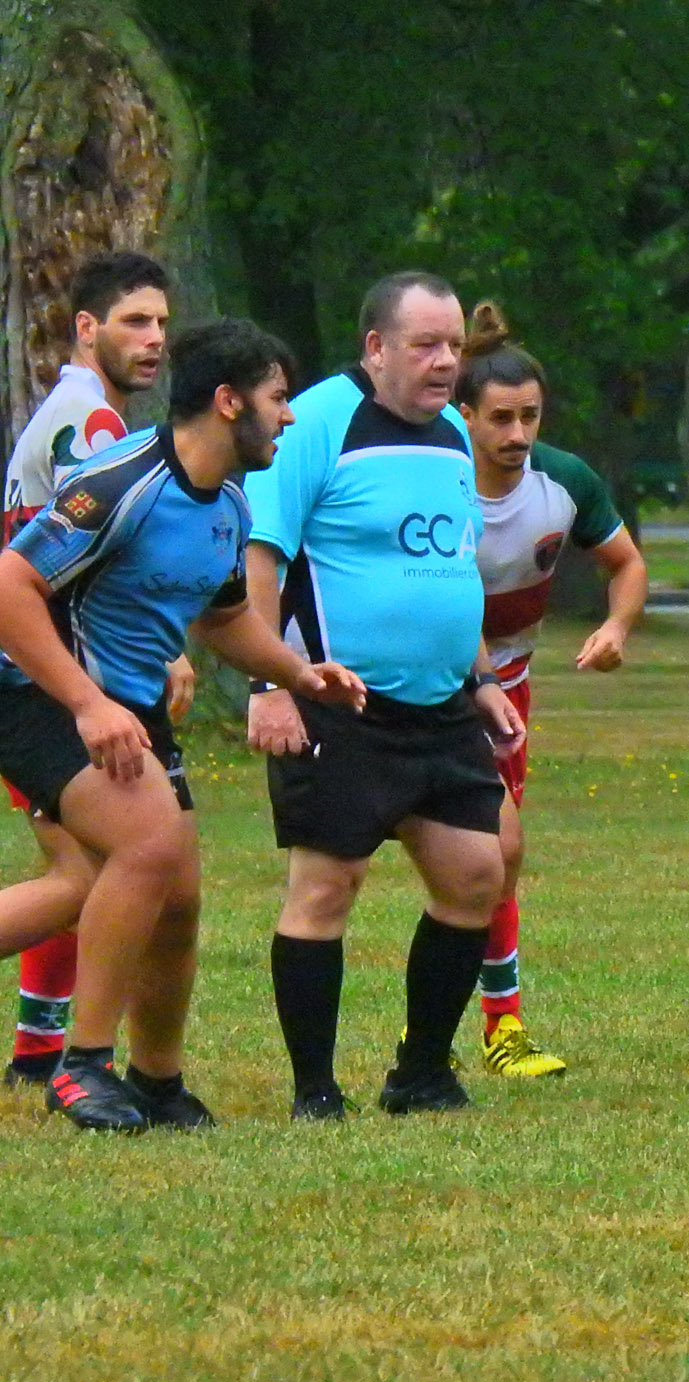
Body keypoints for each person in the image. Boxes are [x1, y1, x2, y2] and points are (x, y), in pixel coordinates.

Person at [0, 318, 366, 1131]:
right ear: (230, 402)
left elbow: (226, 618)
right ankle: (81, 1067)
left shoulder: (229, 505)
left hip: (127, 710)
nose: (291, 417)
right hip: (39, 693)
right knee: (150, 846)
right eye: (279, 399)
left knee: (177, 900)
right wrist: (88, 705)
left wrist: (301, 673)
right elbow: (10, 586)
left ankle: (156, 1082)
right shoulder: (123, 480)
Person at [244, 270, 524, 1122]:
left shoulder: (448, 435)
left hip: (441, 709)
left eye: (452, 346)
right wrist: (269, 684)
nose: (446, 364)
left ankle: (422, 1074)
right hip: (340, 703)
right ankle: (314, 1092)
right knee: (328, 887)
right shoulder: (315, 426)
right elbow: (261, 562)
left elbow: (452, 569)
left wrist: (478, 678)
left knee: (478, 873)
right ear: (375, 348)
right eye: (424, 346)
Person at [0, 251, 197, 1086]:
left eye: (161, 323)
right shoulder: (95, 427)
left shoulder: (74, 409)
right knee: (107, 869)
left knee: (96, 871)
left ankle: (48, 1052)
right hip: (40, 681)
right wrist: (167, 647)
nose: (153, 340)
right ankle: (77, 1060)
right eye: (133, 323)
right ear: (87, 329)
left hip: (39, 672)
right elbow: (95, 550)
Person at [455, 302, 648, 1077]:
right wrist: (477, 677)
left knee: (495, 854)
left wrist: (616, 629)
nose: (517, 434)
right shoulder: (432, 481)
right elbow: (445, 596)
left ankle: (500, 1029)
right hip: (427, 686)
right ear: (463, 415)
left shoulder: (564, 481)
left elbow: (626, 565)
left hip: (510, 691)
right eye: (500, 417)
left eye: (530, 416)